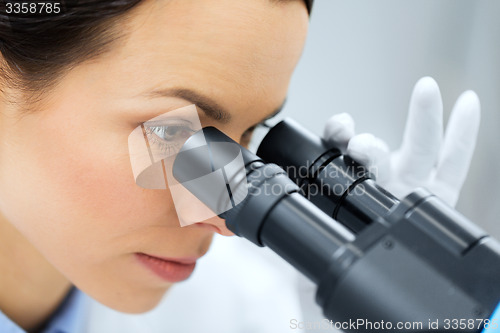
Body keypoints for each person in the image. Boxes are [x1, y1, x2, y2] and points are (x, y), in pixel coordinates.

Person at [0, 0, 480, 332]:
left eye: (251, 137)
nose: (225, 214)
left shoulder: (234, 311)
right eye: (175, 135)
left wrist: (378, 297)